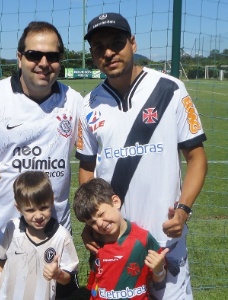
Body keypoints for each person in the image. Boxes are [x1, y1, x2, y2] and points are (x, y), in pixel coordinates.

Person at [75, 12, 208, 300]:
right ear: (93, 55)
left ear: (132, 43)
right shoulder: (88, 106)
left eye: (117, 43)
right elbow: (86, 170)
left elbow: (196, 158)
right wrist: (90, 223)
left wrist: (183, 210)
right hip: (115, 245)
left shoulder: (170, 90)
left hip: (165, 242)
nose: (109, 52)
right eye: (99, 47)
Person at [0, 21, 82, 299]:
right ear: (20, 57)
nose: (44, 63)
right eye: (35, 55)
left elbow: (94, 152)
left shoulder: (74, 102)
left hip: (54, 236)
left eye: (53, 56)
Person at [0, 171, 79, 300]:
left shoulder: (62, 236)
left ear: (51, 200)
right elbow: (1, 260)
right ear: (18, 207)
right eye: (30, 210)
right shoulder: (12, 228)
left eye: (43, 207)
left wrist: (58, 274)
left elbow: (68, 278)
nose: (38, 215)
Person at [73, 178, 169, 300]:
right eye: (92, 223)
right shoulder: (95, 243)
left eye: (101, 214)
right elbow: (94, 283)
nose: (100, 224)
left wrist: (159, 269)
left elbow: (159, 279)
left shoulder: (143, 239)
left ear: (116, 202)